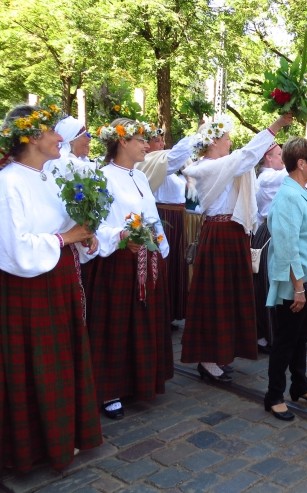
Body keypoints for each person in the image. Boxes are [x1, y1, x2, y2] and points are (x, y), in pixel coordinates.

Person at [0, 104, 102, 472]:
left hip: (58, 282)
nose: (62, 137)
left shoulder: (46, 176)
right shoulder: (9, 181)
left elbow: (63, 227)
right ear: (32, 137)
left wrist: (81, 239)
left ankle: (63, 435)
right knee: (37, 366)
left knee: (62, 361)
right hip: (30, 290)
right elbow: (15, 248)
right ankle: (35, 447)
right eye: (53, 132)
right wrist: (65, 238)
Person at [180, 113, 292, 382]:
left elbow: (243, 160)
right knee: (214, 297)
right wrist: (275, 126)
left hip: (233, 233)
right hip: (219, 234)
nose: (230, 142)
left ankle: (220, 352)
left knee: (229, 297)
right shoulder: (205, 168)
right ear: (214, 142)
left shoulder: (223, 165)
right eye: (227, 138)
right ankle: (207, 359)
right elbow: (245, 157)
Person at [83, 118, 173, 420]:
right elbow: (95, 223)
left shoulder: (140, 176)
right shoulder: (101, 176)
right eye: (140, 140)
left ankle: (137, 382)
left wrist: (159, 245)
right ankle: (109, 389)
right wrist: (120, 236)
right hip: (117, 261)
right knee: (115, 325)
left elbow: (151, 215)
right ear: (122, 142)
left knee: (142, 321)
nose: (146, 145)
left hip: (145, 259)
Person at [263, 137, 307, 421]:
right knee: (285, 341)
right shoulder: (289, 195)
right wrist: (299, 289)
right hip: (295, 284)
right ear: (301, 164)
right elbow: (287, 246)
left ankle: (300, 386)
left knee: (301, 338)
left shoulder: (300, 190)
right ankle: (274, 395)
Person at [136, 130, 197, 328]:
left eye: (162, 140)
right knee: (166, 264)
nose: (161, 144)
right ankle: (162, 312)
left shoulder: (163, 166)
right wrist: (199, 135)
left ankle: (170, 311)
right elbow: (173, 160)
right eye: (155, 140)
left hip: (176, 217)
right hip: (163, 216)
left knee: (176, 265)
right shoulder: (150, 164)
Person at [252, 142, 287, 353]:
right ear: (268, 158)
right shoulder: (266, 177)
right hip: (268, 233)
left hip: (280, 231)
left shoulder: (277, 176)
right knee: (267, 284)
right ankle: (265, 334)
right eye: (279, 155)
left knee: (279, 283)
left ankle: (276, 332)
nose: (282, 159)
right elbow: (288, 175)